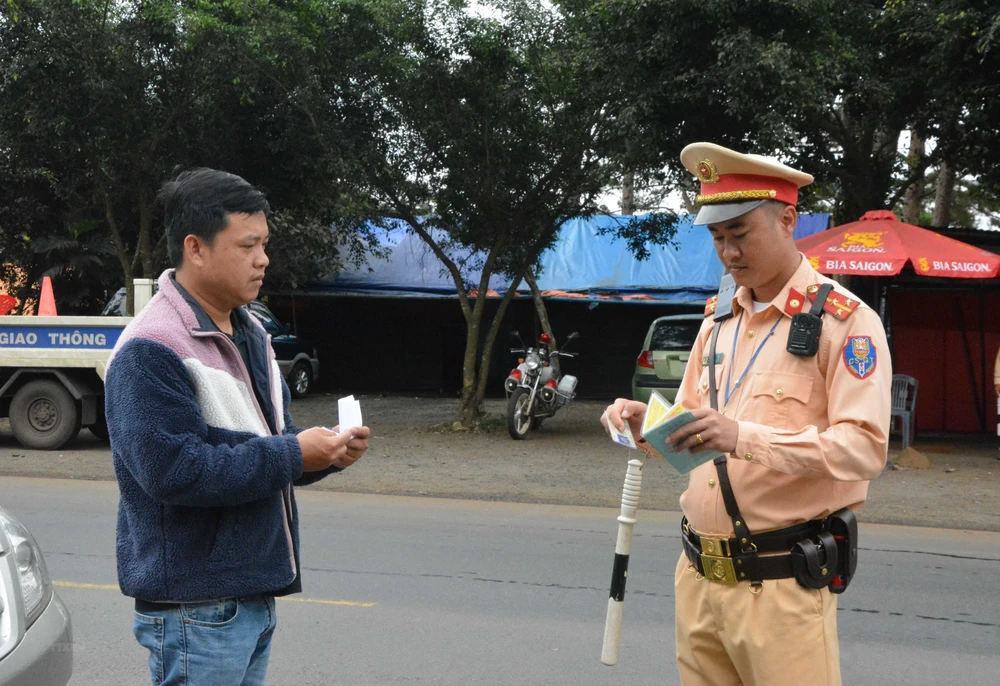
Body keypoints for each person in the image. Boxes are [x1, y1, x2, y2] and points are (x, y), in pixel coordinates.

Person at [603, 143, 891, 686]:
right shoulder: (718, 322)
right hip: (697, 576)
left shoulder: (844, 323)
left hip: (781, 586)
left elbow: (864, 449)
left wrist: (743, 437)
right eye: (717, 237)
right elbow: (696, 438)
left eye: (740, 234)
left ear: (787, 220)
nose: (728, 253)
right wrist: (650, 428)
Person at [105, 168, 370, 685]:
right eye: (248, 245)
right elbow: (175, 471)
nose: (263, 259)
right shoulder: (151, 349)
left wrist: (326, 455)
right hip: (196, 607)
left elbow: (268, 448)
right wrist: (295, 454)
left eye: (264, 244)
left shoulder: (250, 333)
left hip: (248, 592)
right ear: (195, 249)